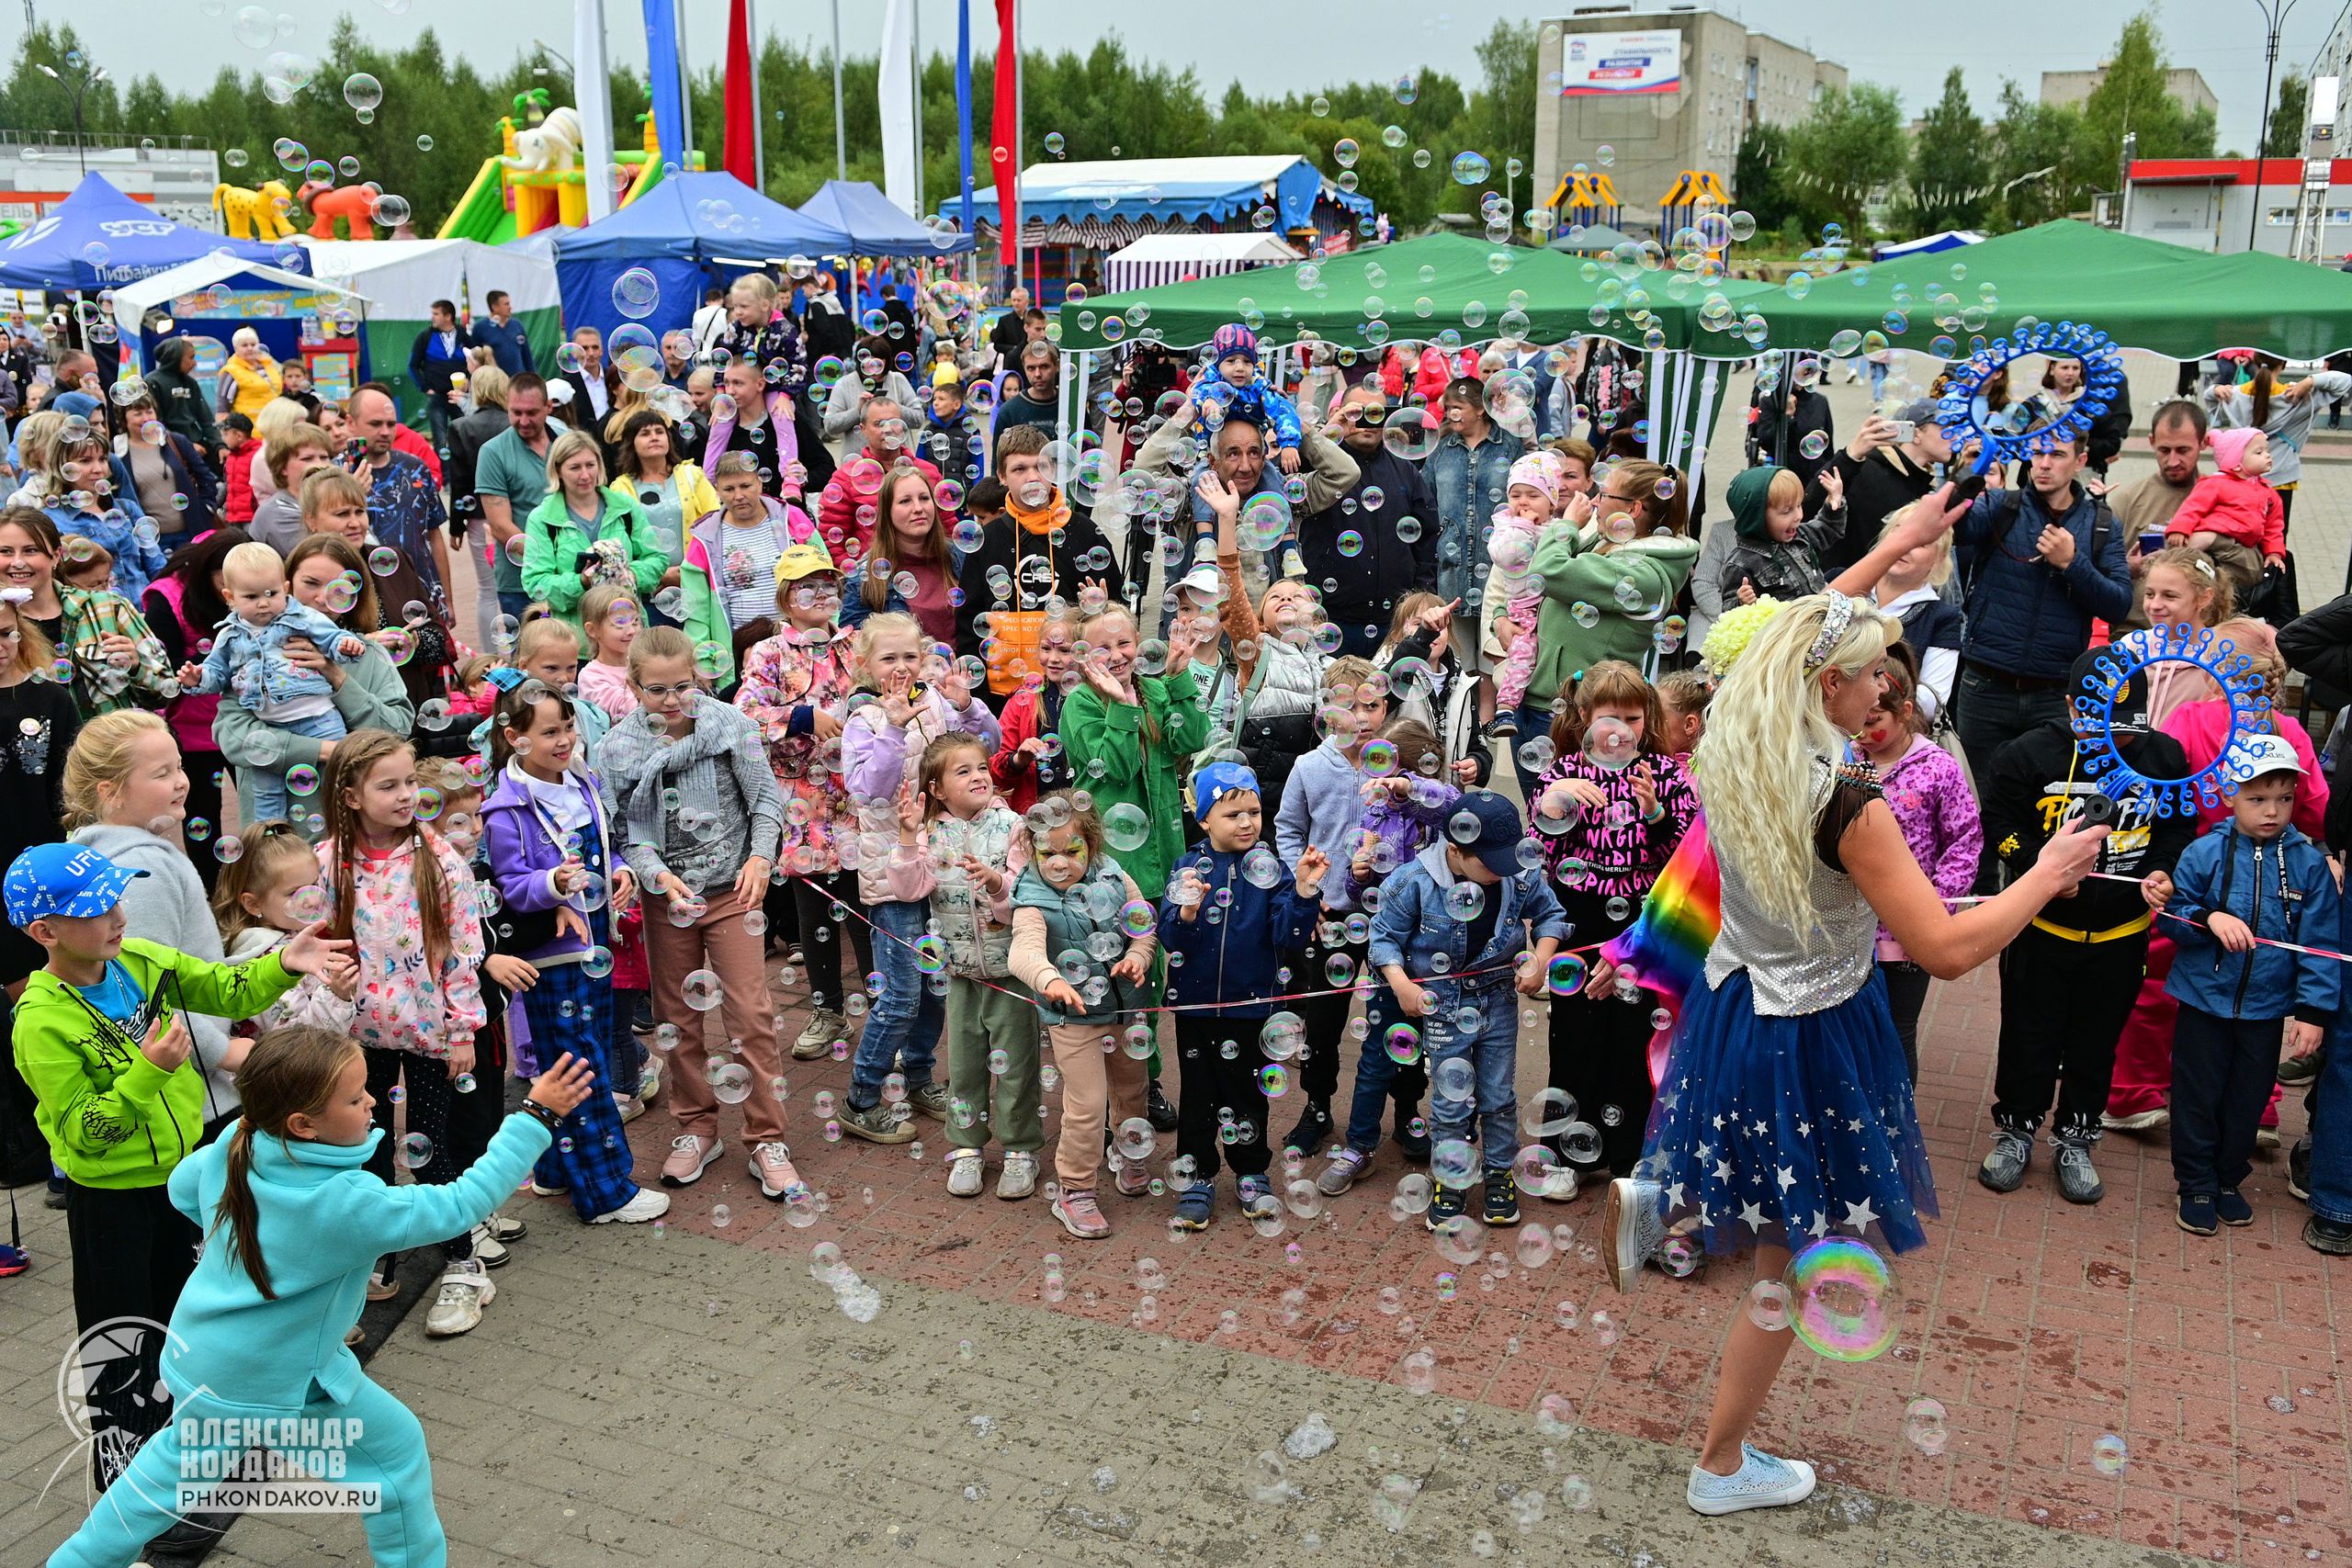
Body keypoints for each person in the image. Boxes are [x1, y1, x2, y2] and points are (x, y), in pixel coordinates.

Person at [1593, 581, 2108, 1515]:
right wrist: (2045, 872)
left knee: (1753, 1192)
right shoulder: (1847, 803)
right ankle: (1718, 1464)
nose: (1888, 690)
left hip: (1740, 1008)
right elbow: (1945, 951)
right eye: (1873, 673)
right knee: (1786, 1261)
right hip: (1815, 1034)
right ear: (1826, 683)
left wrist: (1895, 550)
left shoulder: (1731, 759)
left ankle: (1663, 1190)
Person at [32, 1026, 594, 1568]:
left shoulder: (239, 1138)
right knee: (393, 1459)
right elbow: (460, 1205)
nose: (374, 1101)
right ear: (303, 1124)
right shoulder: (344, 1201)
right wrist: (536, 1117)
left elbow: (183, 1189)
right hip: (274, 1382)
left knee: (158, 1483)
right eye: (356, 1098)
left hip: (202, 1359)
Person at [7, 841, 343, 1497]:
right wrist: (148, 1072)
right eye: (93, 908)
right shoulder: (39, 1019)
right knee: (121, 1339)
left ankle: (183, 1448)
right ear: (44, 932)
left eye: (115, 896)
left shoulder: (139, 959)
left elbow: (224, 985)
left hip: (178, 1179)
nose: (116, 914)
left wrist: (284, 961)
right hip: (109, 1201)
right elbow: (86, 1130)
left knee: (184, 1318)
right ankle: (122, 1484)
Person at [1977, 647, 2198, 1204]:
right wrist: (2040, 867)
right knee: (2028, 1034)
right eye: (2101, 729)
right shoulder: (2029, 754)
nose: (2115, 743)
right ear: (2073, 705)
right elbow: (1997, 824)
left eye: (2125, 733)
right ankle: (2016, 1130)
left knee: (2096, 1042)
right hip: (2041, 929)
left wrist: (2163, 872)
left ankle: (2076, 1136)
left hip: (2121, 938)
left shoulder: (2165, 757)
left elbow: (2177, 829)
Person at [598, 626, 800, 1198]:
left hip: (734, 891)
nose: (671, 700)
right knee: (676, 1018)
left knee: (750, 1015)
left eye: (682, 686)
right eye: (656, 690)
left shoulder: (727, 724)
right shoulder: (617, 747)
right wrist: (656, 875)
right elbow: (622, 832)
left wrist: (761, 858)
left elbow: (765, 799)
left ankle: (766, 1139)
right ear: (634, 686)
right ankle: (696, 1127)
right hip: (668, 898)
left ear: (700, 678)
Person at [481, 680, 669, 1227]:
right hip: (551, 957)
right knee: (582, 1066)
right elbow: (510, 887)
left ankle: (555, 1170)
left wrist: (619, 872)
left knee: (580, 1058)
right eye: (549, 732)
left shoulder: (580, 782)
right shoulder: (506, 810)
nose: (564, 740)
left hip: (592, 944)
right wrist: (553, 884)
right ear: (514, 738)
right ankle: (606, 1192)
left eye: (568, 727)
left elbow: (602, 847)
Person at [63, 707, 266, 1150]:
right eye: (162, 773)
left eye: (178, 766)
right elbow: (146, 992)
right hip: (196, 1095)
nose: (181, 780)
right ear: (111, 791)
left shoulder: (105, 854)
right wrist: (225, 1054)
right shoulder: (141, 866)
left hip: (181, 1080)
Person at [2159, 735, 2337, 1235]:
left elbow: (2320, 945)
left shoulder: (2309, 865)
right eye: (2257, 799)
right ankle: (2194, 1182)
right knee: (2197, 1095)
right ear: (2229, 794)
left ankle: (2227, 1180)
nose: (2272, 811)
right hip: (2202, 1001)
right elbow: (2172, 918)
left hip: (2265, 1009)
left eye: (2284, 799)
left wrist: (2312, 1012)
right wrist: (2207, 917)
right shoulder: (2203, 852)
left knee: (2247, 1100)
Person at [1528, 663, 1699, 1182]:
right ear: (1584, 717)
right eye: (1610, 717)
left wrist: (1653, 813)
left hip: (1644, 920)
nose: (1622, 727)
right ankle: (1563, 1155)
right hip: (1578, 916)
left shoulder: (1665, 775)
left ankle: (1630, 1151)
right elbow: (1542, 847)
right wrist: (1558, 802)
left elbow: (1688, 855)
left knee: (1634, 1034)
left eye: (1633, 716)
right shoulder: (1560, 774)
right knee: (1576, 1035)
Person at [1369, 787, 1567, 1228]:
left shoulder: (1519, 873)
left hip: (1498, 996)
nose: (1502, 873)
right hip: (1441, 1003)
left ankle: (1500, 1175)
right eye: (1490, 864)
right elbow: (1381, 938)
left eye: (1508, 861)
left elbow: (1551, 915)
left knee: (1498, 1095)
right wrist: (1401, 985)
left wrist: (1541, 956)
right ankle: (1452, 1176)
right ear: (1455, 849)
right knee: (1450, 1099)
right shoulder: (1413, 880)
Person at [1949, 436, 2132, 887]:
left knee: (2042, 806)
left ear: (2082, 462)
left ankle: (2032, 900)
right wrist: (1970, 473)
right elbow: (1951, 523)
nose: (2044, 465)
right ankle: (1983, 906)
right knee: (1976, 804)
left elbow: (2119, 602)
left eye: (2057, 455)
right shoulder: (2003, 506)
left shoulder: (2102, 522)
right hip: (1984, 686)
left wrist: (2073, 564)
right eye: (2037, 454)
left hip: (2054, 695)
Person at [1160, 761, 1329, 1229]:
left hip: (1252, 1009)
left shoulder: (1270, 870)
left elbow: (1290, 936)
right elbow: (1173, 939)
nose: (1247, 823)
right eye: (1233, 814)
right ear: (1205, 820)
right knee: (1198, 1095)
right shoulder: (1187, 867)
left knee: (1248, 1096)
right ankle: (1197, 1174)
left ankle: (1252, 1173)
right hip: (1195, 1008)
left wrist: (1304, 889)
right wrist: (1188, 912)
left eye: (1254, 812)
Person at [836, 613, 983, 1140]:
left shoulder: (937, 705)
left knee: (935, 988)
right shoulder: (864, 722)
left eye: (909, 656)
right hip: (892, 872)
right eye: (888, 658)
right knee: (899, 994)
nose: (901, 667)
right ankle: (862, 1097)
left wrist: (964, 706)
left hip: (939, 865)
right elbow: (870, 791)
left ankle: (918, 1077)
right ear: (865, 666)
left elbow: (973, 754)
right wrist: (895, 727)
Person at [883, 733, 1038, 1199]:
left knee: (1017, 1066)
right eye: (962, 771)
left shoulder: (1014, 827)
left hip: (1010, 971)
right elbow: (908, 888)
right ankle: (966, 1147)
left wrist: (997, 886)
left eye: (980, 768)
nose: (977, 776)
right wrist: (909, 837)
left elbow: (1027, 896)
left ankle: (1019, 1149)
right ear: (937, 789)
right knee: (966, 1066)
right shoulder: (933, 834)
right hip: (961, 972)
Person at [732, 544, 871, 1055]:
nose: (819, 595)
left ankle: (882, 1014)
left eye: (828, 585)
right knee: (814, 909)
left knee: (862, 903)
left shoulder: (855, 646)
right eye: (805, 587)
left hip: (856, 799)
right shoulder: (769, 654)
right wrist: (802, 718)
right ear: (786, 598)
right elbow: (743, 716)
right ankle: (828, 1009)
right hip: (803, 802)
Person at [213, 530, 417, 832]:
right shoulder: (247, 651)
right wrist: (325, 750)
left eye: (339, 587)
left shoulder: (369, 655)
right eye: (311, 584)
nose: (323, 598)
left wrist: (336, 676)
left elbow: (395, 731)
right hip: (273, 839)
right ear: (286, 586)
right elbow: (234, 736)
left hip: (348, 832)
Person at [1515, 460, 1699, 790]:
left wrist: (1567, 524)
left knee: (1562, 820)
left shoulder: (1643, 573)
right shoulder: (1609, 545)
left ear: (1633, 508)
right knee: (1542, 818)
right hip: (1545, 697)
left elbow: (1549, 572)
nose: (1595, 501)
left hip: (1578, 712)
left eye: (1604, 493)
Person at [1850, 648, 1978, 1083]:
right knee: (1848, 1030)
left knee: (1897, 1030)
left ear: (1904, 712)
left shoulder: (1937, 768)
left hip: (1907, 931)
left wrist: (1936, 909)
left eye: (1874, 723)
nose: (1863, 734)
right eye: (1859, 721)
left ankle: (1895, 1125)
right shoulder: (1844, 760)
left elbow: (1964, 840)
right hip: (1847, 925)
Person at [175, 542, 368, 824]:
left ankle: (340, 829)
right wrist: (198, 678)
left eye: (272, 593)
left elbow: (331, 638)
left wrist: (346, 645)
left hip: (318, 718)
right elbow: (217, 673)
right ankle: (272, 838)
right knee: (266, 793)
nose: (263, 603)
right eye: (251, 596)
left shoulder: (302, 618)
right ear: (229, 596)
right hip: (267, 728)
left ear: (286, 588)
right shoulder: (229, 635)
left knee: (336, 781)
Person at [956, 427, 1125, 695]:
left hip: (1075, 691)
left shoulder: (1084, 532)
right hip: (1004, 692)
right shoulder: (987, 539)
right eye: (1020, 469)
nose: (1033, 477)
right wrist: (978, 694)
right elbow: (969, 622)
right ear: (1001, 476)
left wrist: (1102, 612)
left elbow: (1118, 610)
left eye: (1041, 466)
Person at [1299, 384, 1438, 656]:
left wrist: (1422, 597)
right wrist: (1329, 434)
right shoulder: (1317, 467)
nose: (1367, 422)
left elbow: (1427, 537)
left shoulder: (1406, 471)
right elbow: (1284, 476)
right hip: (1330, 619)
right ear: (1340, 415)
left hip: (1395, 623)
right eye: (1357, 413)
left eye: (1377, 413)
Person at [0, 506, 174, 720]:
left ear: (56, 556)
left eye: (31, 550)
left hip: (110, 748)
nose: (17, 562)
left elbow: (165, 689)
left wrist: (136, 665)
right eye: (5, 551)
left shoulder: (109, 608)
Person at [681, 448, 825, 687]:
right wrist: (705, 665)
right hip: (740, 656)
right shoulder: (705, 538)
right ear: (717, 491)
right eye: (729, 489)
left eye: (745, 486)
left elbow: (825, 579)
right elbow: (696, 612)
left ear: (760, 483)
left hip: (801, 646)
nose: (738, 495)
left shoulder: (792, 519)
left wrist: (827, 632)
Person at [521, 429, 668, 649]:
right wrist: (582, 582)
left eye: (590, 465)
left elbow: (657, 558)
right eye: (575, 468)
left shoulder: (625, 507)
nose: (585, 475)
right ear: (558, 471)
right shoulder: (543, 519)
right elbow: (536, 582)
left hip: (629, 638)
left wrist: (627, 574)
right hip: (574, 643)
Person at [2206, 353, 2350, 525]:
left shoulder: (2235, 395)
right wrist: (2309, 382)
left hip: (2244, 479)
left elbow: (2211, 404)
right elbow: (2345, 380)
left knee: (2245, 535)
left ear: (2255, 363)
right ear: (2282, 364)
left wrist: (2214, 390)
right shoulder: (2299, 396)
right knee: (2277, 540)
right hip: (2282, 481)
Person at [473, 372, 568, 636]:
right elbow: (501, 526)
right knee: (529, 661)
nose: (523, 421)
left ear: (549, 407)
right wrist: (556, 560)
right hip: (521, 582)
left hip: (570, 580)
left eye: (532, 413)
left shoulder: (565, 440)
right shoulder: (493, 452)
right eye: (516, 412)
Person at [348, 385, 453, 620]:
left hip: (422, 596)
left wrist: (446, 598)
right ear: (350, 422)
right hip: (367, 600)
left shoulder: (415, 468)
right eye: (375, 424)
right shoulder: (336, 474)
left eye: (391, 424)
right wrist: (350, 491)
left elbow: (433, 534)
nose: (385, 431)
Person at [817, 397, 944, 561]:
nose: (888, 429)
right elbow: (832, 540)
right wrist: (855, 577)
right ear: (863, 429)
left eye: (894, 422)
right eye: (879, 424)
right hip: (871, 575)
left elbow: (947, 527)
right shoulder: (845, 478)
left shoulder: (928, 472)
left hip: (928, 567)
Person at [611, 407, 718, 600]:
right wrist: (658, 575)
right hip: (648, 592)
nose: (654, 437)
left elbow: (715, 522)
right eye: (645, 434)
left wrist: (687, 572)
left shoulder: (692, 474)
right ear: (631, 443)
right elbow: (620, 544)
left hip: (697, 584)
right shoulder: (620, 489)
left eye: (659, 432)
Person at [2165, 427, 2285, 591]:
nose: (2267, 455)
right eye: (2258, 452)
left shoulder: (2269, 494)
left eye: (2267, 450)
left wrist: (2273, 552)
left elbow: (2274, 527)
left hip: (2241, 546)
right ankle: (2174, 558)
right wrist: (2180, 529)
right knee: (2198, 551)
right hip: (2219, 535)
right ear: (2236, 464)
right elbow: (2192, 508)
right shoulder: (2216, 483)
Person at [987, 604, 1078, 814]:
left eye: (1064, 650)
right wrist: (1019, 760)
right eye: (1046, 649)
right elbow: (994, 768)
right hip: (1033, 811)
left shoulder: (1092, 699)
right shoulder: (1023, 700)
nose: (1053, 659)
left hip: (1081, 811)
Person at [1720, 463, 1849, 606]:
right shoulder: (1741, 563)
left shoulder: (1801, 536)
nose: (1798, 516)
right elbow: (1728, 610)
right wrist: (1741, 602)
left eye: (1799, 505)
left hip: (1822, 613)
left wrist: (1834, 503)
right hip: (1792, 626)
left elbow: (1828, 528)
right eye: (1787, 511)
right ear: (1756, 518)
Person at [118, 390, 220, 543]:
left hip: (190, 533)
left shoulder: (176, 441)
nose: (145, 418)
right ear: (123, 418)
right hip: (149, 540)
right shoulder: (117, 450)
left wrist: (206, 508)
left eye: (149, 412)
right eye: (138, 413)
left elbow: (205, 476)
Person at [248, 420, 335, 557]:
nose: (320, 465)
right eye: (307, 458)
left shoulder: (323, 502)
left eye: (324, 457)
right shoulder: (278, 513)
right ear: (283, 467)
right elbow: (326, 557)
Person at [821, 346, 921, 463]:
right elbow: (830, 425)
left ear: (886, 362)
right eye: (869, 365)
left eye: (878, 365)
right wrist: (858, 410)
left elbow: (918, 419)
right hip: (857, 464)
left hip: (896, 463)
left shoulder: (896, 379)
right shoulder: (844, 384)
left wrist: (891, 407)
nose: (874, 370)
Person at [407, 299, 474, 457]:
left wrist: (469, 381)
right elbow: (413, 366)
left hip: (461, 397)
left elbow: (476, 360)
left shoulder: (464, 336)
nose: (433, 317)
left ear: (448, 316)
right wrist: (425, 388)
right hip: (437, 397)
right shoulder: (425, 337)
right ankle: (444, 478)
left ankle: (466, 474)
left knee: (466, 436)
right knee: (440, 440)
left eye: (436, 314)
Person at [148, 337, 221, 464]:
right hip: (169, 446)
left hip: (198, 443)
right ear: (175, 358)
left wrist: (220, 446)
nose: (195, 363)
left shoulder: (190, 383)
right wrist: (186, 446)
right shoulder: (153, 382)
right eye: (191, 357)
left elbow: (206, 419)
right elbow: (156, 424)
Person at [578, 583, 642, 719]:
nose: (631, 631)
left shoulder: (644, 665)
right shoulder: (591, 675)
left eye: (635, 621)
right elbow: (623, 705)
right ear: (592, 630)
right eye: (620, 624)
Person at [216, 328, 283, 421]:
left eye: (253, 344)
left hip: (275, 426)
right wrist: (224, 432)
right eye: (244, 345)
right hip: (249, 430)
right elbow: (223, 406)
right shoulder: (231, 371)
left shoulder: (270, 365)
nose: (250, 348)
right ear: (236, 348)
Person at [474, 288, 536, 378]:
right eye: (506, 304)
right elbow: (476, 357)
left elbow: (527, 355)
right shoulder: (480, 328)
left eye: (509, 303)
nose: (510, 307)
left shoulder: (517, 325)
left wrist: (533, 376)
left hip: (519, 380)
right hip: (496, 381)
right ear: (494, 307)